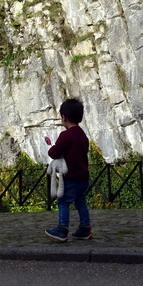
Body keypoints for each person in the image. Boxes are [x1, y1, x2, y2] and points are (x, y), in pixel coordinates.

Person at [44, 98, 92, 241]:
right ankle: (85, 228)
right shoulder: (82, 135)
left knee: (63, 202)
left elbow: (54, 153)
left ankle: (62, 229)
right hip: (84, 176)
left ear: (64, 118)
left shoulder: (66, 135)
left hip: (71, 177)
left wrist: (51, 147)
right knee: (80, 201)